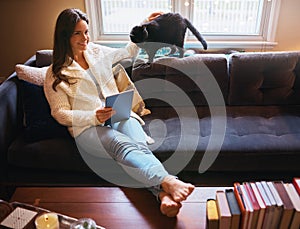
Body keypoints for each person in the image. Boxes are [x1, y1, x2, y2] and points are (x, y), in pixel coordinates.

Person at [44, 8, 194, 217]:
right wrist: (93, 116)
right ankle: (169, 181)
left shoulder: (96, 52)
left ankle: (162, 195)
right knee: (123, 146)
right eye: (78, 33)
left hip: (118, 114)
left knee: (138, 146)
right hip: (87, 127)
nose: (85, 38)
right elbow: (60, 113)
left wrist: (144, 26)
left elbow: (129, 52)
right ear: (64, 36)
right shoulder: (55, 73)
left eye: (86, 32)